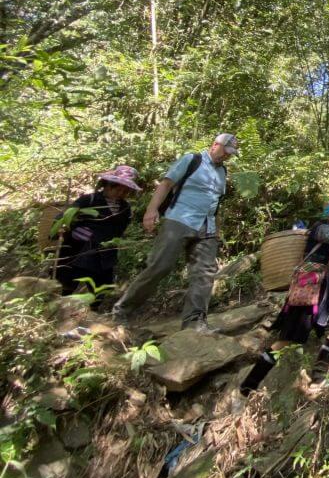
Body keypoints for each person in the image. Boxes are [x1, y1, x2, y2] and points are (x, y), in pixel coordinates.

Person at [240, 199, 329, 394]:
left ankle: (319, 379)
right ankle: (249, 384)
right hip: (308, 290)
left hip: (326, 289)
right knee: (286, 340)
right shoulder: (320, 229)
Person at [111, 134, 238, 332]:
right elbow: (166, 184)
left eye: (230, 154)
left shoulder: (223, 171)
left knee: (204, 274)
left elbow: (215, 202)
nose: (227, 156)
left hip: (207, 227)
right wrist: (151, 211)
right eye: (226, 151)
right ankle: (122, 310)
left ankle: (194, 323)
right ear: (215, 145)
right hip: (179, 219)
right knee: (160, 266)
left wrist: (217, 229)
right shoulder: (192, 160)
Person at [54, 165, 142, 297]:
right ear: (107, 185)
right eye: (118, 189)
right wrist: (68, 228)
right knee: (68, 282)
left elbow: (121, 227)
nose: (121, 194)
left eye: (125, 191)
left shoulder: (125, 208)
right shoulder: (89, 200)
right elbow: (65, 216)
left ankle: (94, 311)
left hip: (106, 252)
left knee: (101, 288)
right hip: (79, 249)